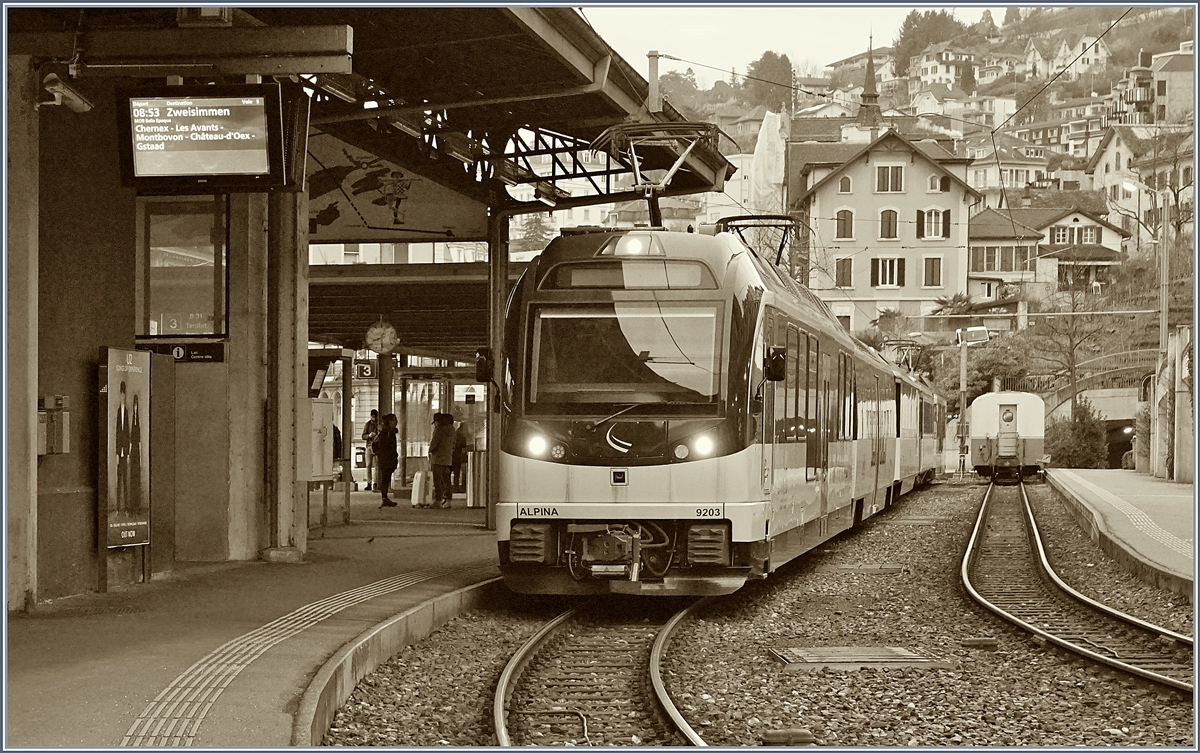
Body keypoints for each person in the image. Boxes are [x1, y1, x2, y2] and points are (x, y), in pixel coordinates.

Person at [428, 412, 456, 509]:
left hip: (438, 458)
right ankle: (448, 499)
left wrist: (430, 450)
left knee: (438, 480)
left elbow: (434, 444)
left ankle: (438, 500)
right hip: (447, 458)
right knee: (446, 480)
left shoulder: (439, 430)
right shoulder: (452, 430)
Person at [375, 413, 399, 508]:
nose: (396, 422)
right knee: (385, 478)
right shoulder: (385, 433)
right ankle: (384, 497)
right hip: (386, 459)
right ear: (389, 422)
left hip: (388, 458)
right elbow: (384, 447)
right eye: (394, 420)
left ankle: (385, 498)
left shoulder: (390, 432)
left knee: (386, 477)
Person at [361, 409, 379, 491]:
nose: (374, 419)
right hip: (369, 446)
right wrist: (369, 436)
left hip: (376, 447)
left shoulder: (378, 424)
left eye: (375, 417)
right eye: (373, 417)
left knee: (376, 465)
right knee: (368, 465)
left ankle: (375, 482)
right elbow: (363, 436)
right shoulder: (368, 424)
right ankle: (369, 482)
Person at [451, 418, 468, 493]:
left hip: (455, 456)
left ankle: (455, 487)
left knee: (455, 472)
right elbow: (463, 445)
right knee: (458, 472)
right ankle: (458, 487)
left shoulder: (456, 434)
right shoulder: (461, 435)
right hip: (458, 456)